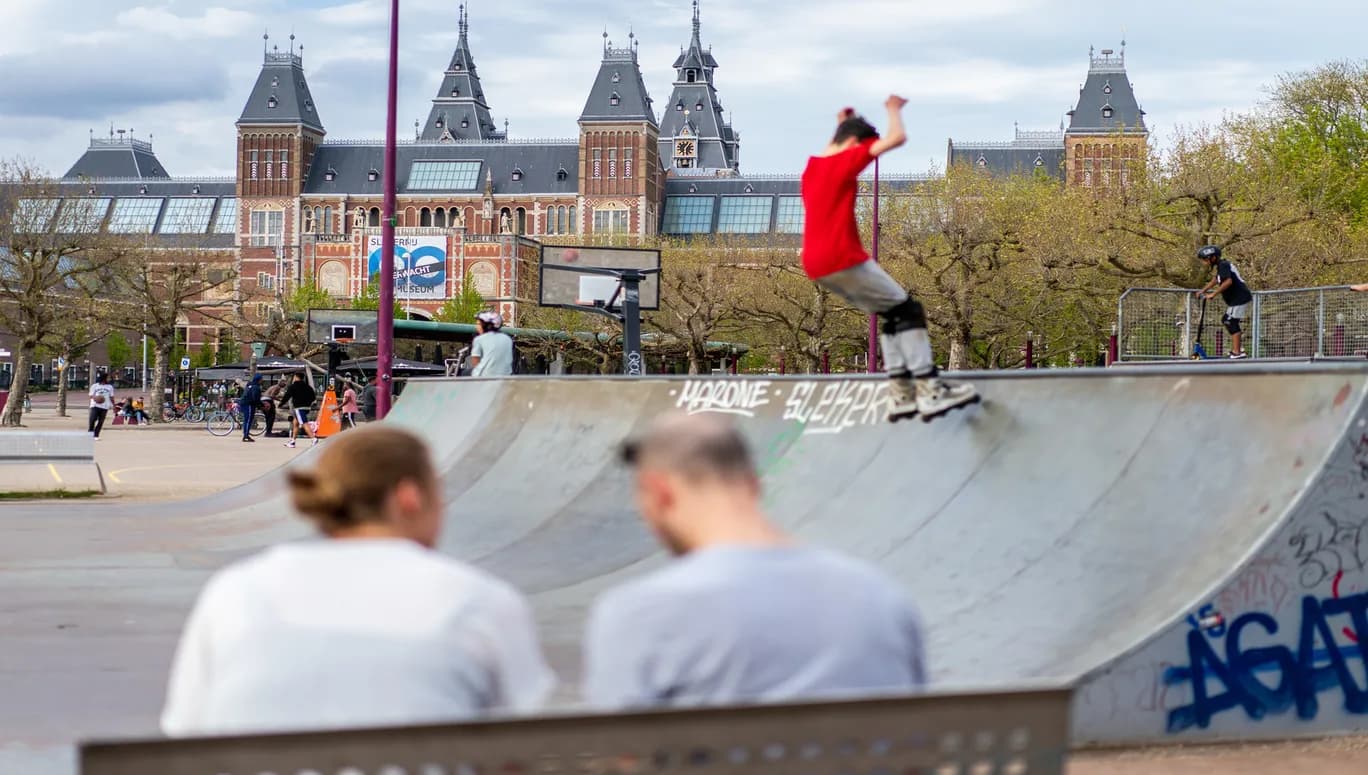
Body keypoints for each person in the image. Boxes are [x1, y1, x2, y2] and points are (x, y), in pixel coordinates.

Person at [160, 426, 554, 736]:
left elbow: (188, 730)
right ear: (409, 498)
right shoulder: (478, 601)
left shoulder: (238, 592)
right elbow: (522, 744)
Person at [582, 413, 926, 709]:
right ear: (753, 484)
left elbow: (626, 759)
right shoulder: (881, 596)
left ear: (659, 493)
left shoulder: (637, 614)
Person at [801, 97, 977, 421]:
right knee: (909, 310)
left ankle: (900, 395)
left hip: (816, 265)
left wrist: (845, 118)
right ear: (854, 144)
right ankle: (929, 389)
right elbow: (896, 139)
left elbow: (835, 141)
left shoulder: (812, 167)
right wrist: (893, 108)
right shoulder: (846, 160)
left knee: (892, 313)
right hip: (843, 256)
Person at [1194, 245, 1254, 359]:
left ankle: (1237, 352)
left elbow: (1228, 282)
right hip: (1236, 299)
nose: (1204, 262)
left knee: (1230, 321)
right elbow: (1216, 280)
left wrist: (1213, 294)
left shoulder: (1224, 265)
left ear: (1213, 258)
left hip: (1240, 297)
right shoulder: (1221, 266)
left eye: (1205, 259)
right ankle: (1238, 349)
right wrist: (1203, 290)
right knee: (1227, 320)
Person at [470, 311, 514, 377]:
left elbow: (475, 362)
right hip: (505, 377)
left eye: (479, 324)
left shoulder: (479, 339)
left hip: (484, 378)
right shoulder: (508, 339)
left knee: (463, 373)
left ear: (487, 326)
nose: (477, 327)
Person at [281, 373, 318, 449]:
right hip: (307, 407)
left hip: (299, 407)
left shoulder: (293, 386)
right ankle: (292, 441)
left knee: (304, 423)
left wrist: (281, 404)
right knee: (295, 423)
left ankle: (313, 438)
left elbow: (287, 396)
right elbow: (313, 397)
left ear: (296, 377)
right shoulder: (308, 387)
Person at [87, 371, 115, 439]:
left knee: (101, 421)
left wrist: (114, 405)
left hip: (105, 406)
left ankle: (96, 435)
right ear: (104, 378)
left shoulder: (110, 387)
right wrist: (96, 398)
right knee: (92, 419)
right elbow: (90, 395)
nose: (109, 379)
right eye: (108, 378)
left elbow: (111, 397)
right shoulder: (95, 386)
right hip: (95, 405)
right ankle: (90, 433)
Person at [237, 375, 263, 443]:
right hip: (249, 404)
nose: (262, 380)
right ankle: (245, 436)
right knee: (248, 420)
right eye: (261, 379)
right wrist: (261, 405)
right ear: (258, 380)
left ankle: (246, 434)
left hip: (245, 403)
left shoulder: (249, 385)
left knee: (247, 420)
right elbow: (255, 398)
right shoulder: (255, 387)